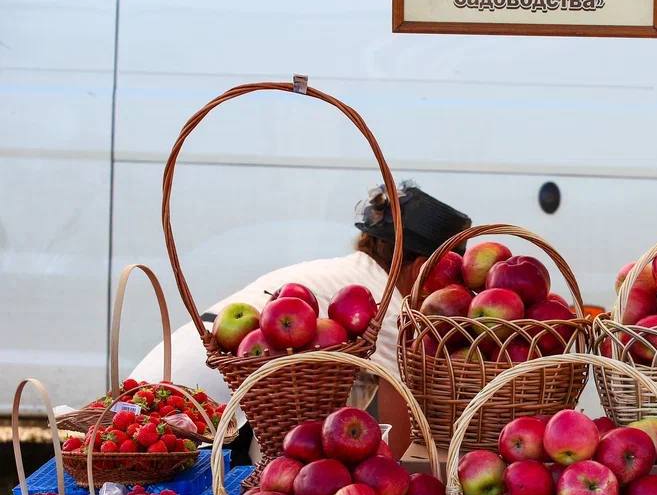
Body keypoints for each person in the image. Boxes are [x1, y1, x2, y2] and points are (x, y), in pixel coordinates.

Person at [130, 183, 471, 455]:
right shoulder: (384, 306)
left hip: (144, 393)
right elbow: (403, 430)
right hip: (188, 418)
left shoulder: (334, 274)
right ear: (422, 267)